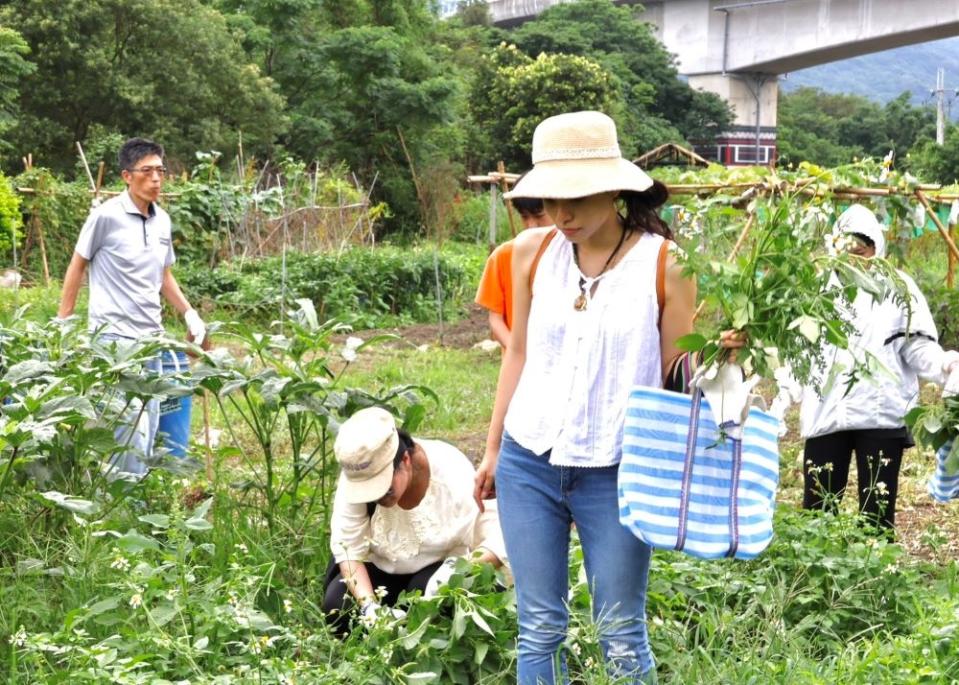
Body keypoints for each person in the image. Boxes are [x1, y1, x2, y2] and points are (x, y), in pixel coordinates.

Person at [473, 110, 727, 685]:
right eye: (551, 198)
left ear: (615, 188)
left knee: (619, 627)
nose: (562, 215)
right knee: (538, 625)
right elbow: (519, 355)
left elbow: (676, 371)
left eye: (578, 199)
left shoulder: (665, 262)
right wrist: (492, 451)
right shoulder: (529, 253)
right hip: (528, 458)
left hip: (616, 466)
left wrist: (719, 354)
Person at [800, 203, 959, 530]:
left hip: (881, 412)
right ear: (835, 246)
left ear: (877, 247)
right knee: (817, 513)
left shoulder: (897, 286)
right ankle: (817, 578)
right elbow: (798, 348)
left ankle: (872, 576)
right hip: (827, 410)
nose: (856, 256)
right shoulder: (817, 287)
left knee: (877, 513)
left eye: (864, 248)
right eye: (848, 248)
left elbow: (915, 344)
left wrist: (944, 365)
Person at [57, 138, 206, 476]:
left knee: (150, 423)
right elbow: (76, 266)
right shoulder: (105, 217)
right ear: (127, 175)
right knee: (126, 428)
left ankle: (135, 502)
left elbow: (163, 274)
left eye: (160, 171)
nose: (156, 179)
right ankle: (121, 503)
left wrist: (188, 312)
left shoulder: (162, 221)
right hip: (114, 341)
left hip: (151, 340)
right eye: (147, 171)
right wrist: (62, 324)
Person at [323, 406, 506, 633]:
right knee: (338, 607)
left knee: (434, 611)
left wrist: (458, 574)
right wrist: (370, 607)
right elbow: (349, 548)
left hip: (434, 573)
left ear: (406, 460)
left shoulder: (452, 474)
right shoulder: (357, 472)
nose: (378, 498)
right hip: (377, 566)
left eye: (385, 489)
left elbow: (499, 539)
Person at [475, 195, 553, 348]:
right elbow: (495, 318)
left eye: (539, 216)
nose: (531, 225)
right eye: (525, 217)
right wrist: (517, 352)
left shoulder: (575, 256)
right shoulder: (503, 256)